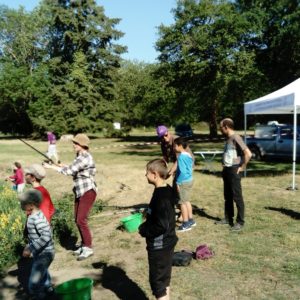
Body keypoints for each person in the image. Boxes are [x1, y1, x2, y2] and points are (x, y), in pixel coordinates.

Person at [44, 133, 97, 260]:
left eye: (76, 143)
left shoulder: (84, 157)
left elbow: (69, 172)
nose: (73, 145)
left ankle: (88, 247)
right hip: (80, 191)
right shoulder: (79, 156)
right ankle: (84, 245)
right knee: (77, 219)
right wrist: (61, 165)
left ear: (82, 145)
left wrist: (51, 167)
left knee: (81, 220)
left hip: (87, 191)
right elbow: (73, 168)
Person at [139, 159, 178, 300]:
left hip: (159, 246)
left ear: (154, 174)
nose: (145, 175)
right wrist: (150, 212)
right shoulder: (166, 190)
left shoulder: (161, 196)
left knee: (158, 284)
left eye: (147, 172)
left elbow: (161, 225)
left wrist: (144, 230)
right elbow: (164, 213)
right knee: (164, 280)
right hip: (167, 243)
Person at [216, 118, 252, 231]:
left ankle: (240, 222)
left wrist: (242, 167)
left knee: (237, 197)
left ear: (226, 126)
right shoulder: (228, 138)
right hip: (227, 170)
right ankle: (228, 218)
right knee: (228, 196)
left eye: (221, 127)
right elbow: (235, 155)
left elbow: (248, 154)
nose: (220, 130)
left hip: (233, 170)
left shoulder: (236, 137)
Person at [19, 189, 55, 299]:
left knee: (33, 284)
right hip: (40, 253)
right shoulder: (32, 215)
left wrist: (31, 248)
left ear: (30, 205)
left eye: (23, 204)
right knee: (42, 272)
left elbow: (46, 236)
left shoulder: (37, 219)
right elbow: (35, 236)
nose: (21, 206)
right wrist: (29, 245)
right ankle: (48, 289)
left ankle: (39, 296)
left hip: (45, 254)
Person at [174, 137, 196, 232]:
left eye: (175, 145)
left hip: (183, 181)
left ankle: (186, 223)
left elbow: (182, 172)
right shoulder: (188, 155)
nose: (174, 147)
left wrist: (178, 183)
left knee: (182, 203)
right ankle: (191, 220)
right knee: (187, 201)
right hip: (189, 180)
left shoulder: (181, 157)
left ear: (179, 146)